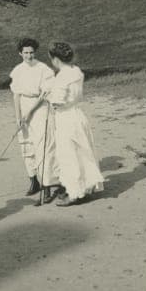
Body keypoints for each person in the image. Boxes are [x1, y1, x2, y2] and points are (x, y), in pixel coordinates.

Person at [39, 41, 105, 207]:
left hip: (66, 118)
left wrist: (47, 96)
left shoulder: (62, 76)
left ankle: (74, 193)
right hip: (78, 115)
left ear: (55, 59)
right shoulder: (76, 71)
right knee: (82, 153)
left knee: (69, 156)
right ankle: (84, 189)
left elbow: (58, 103)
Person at [10, 37, 58, 197]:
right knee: (26, 144)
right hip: (23, 107)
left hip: (39, 108)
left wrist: (30, 112)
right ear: (20, 53)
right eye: (25, 53)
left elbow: (44, 95)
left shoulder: (43, 69)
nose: (29, 56)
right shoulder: (17, 71)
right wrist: (18, 117)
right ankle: (33, 181)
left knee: (42, 145)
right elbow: (16, 95)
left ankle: (47, 185)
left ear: (35, 52)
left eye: (31, 52)